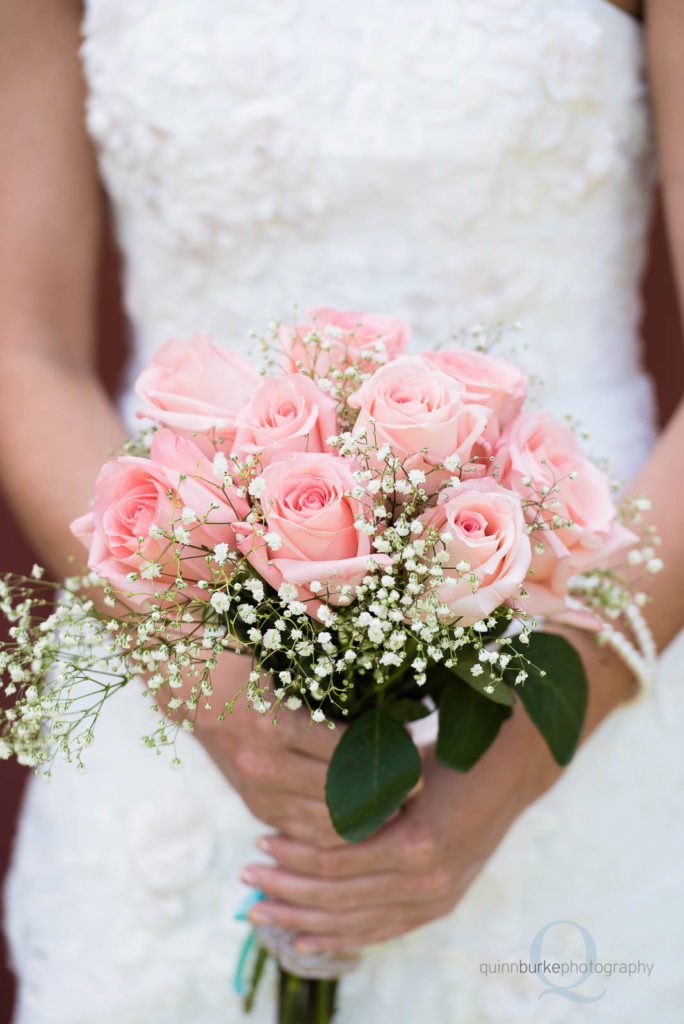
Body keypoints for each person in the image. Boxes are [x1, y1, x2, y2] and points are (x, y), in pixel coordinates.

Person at [1, 0, 683, 1021]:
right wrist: (213, 686)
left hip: (579, 648)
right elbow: (23, 349)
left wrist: (527, 749)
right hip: (178, 681)